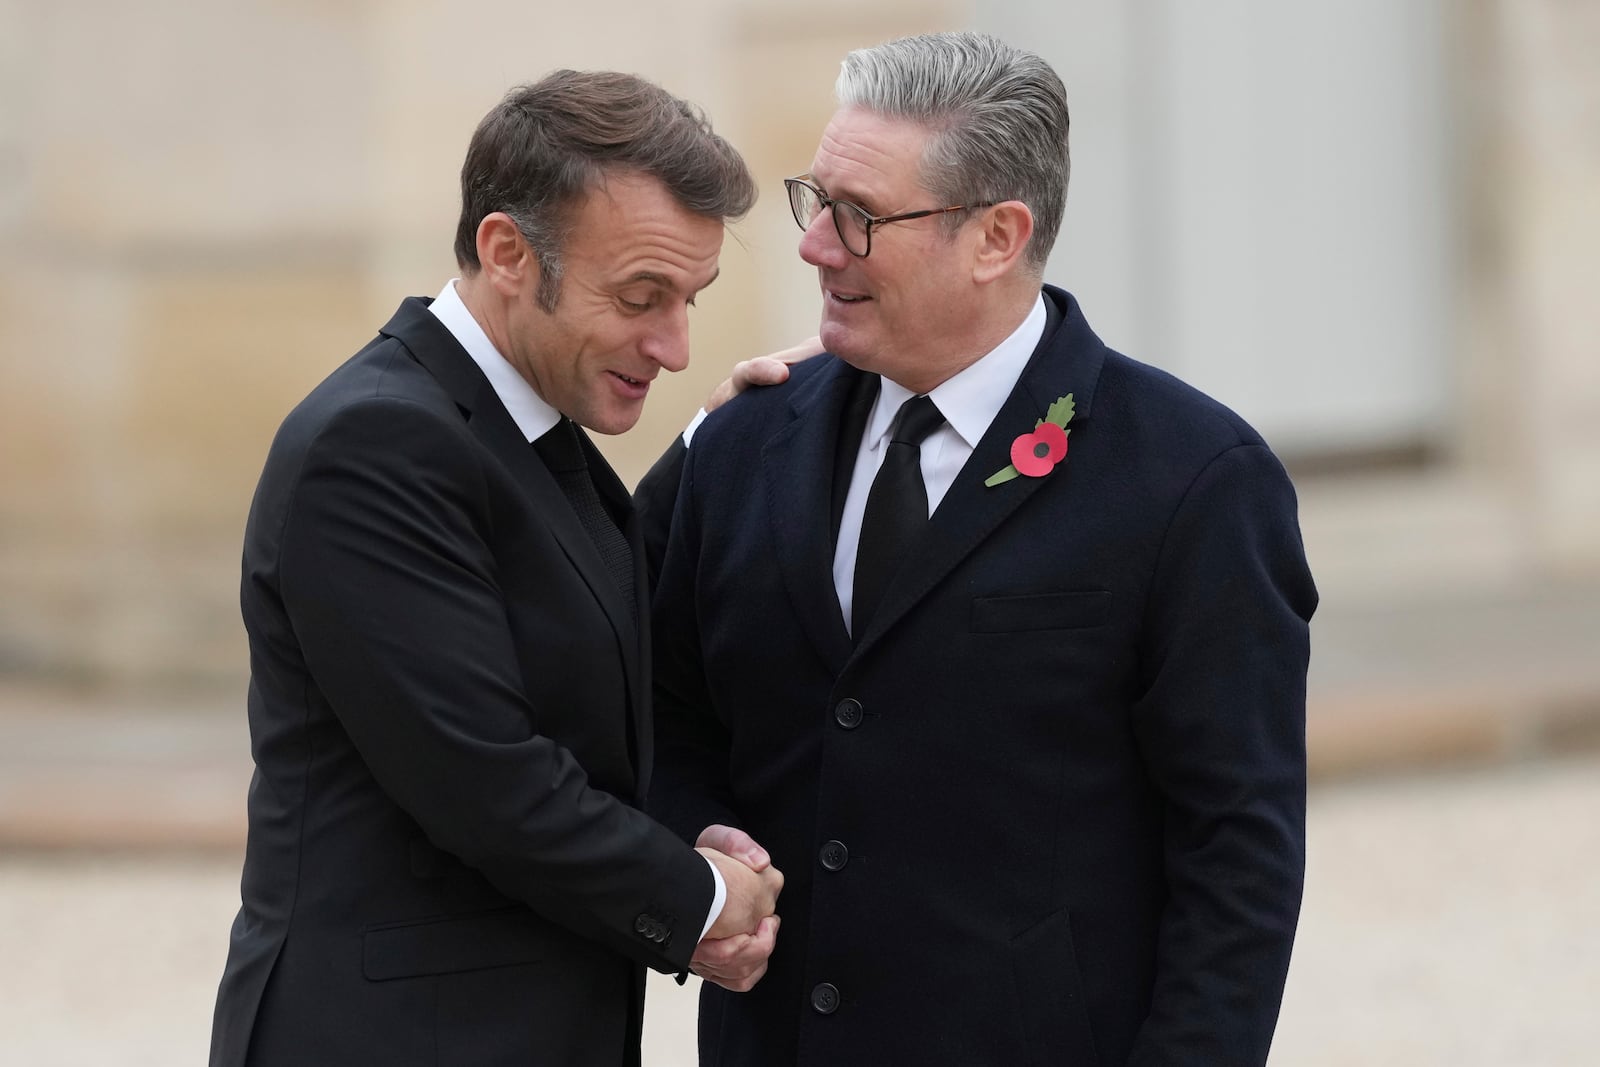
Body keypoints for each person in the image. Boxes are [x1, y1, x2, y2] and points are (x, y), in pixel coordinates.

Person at [638, 32, 1318, 1066]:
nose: (816, 244)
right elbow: (660, 711)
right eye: (815, 200)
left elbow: (1236, 854)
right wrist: (695, 847)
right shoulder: (738, 443)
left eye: (858, 216)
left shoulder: (1191, 478)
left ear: (997, 236)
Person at [209, 70, 787, 1067]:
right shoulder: (377, 441)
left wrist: (715, 441)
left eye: (690, 300)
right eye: (641, 297)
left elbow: (572, 596)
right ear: (507, 252)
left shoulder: (512, 422)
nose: (676, 344)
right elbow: (486, 776)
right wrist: (698, 896)